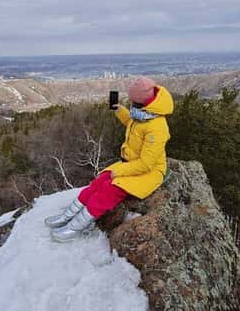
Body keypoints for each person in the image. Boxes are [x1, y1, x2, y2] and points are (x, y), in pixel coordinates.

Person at [45, 76, 174, 242]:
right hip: (130, 165)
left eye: (134, 102)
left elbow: (146, 164)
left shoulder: (157, 127)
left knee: (109, 190)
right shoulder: (144, 114)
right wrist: (118, 109)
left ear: (143, 101)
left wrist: (118, 171)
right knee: (99, 181)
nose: (132, 105)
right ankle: (67, 215)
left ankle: (75, 227)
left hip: (148, 172)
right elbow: (132, 124)